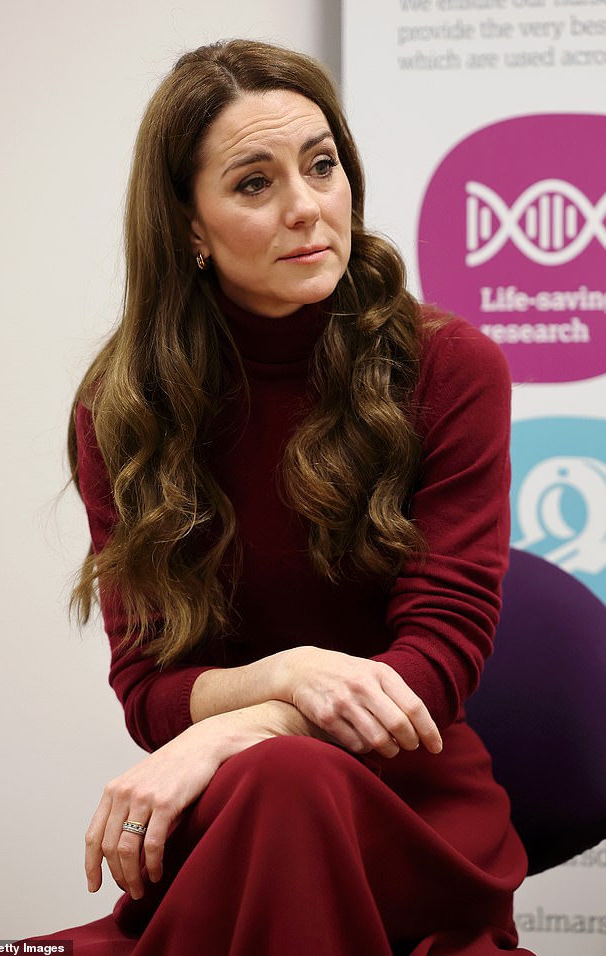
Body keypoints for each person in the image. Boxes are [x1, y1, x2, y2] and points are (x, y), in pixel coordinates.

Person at [30, 38, 535, 955]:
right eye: (254, 183)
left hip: (413, 813)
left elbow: (439, 662)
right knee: (277, 787)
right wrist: (284, 676)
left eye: (322, 165)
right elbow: (151, 693)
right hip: (240, 821)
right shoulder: (123, 410)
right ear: (188, 225)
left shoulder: (452, 369)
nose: (308, 208)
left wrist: (241, 726)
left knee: (287, 780)